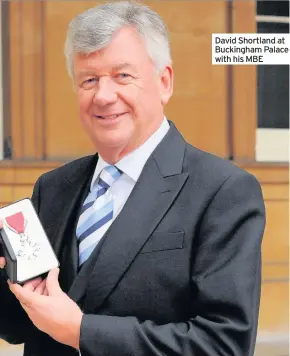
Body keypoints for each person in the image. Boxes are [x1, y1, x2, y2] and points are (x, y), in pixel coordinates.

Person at [0, 1, 265, 355]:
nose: (104, 96)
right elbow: (18, 325)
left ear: (164, 82)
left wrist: (82, 331)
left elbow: (223, 345)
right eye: (88, 80)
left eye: (122, 76)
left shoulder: (224, 192)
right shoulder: (52, 188)